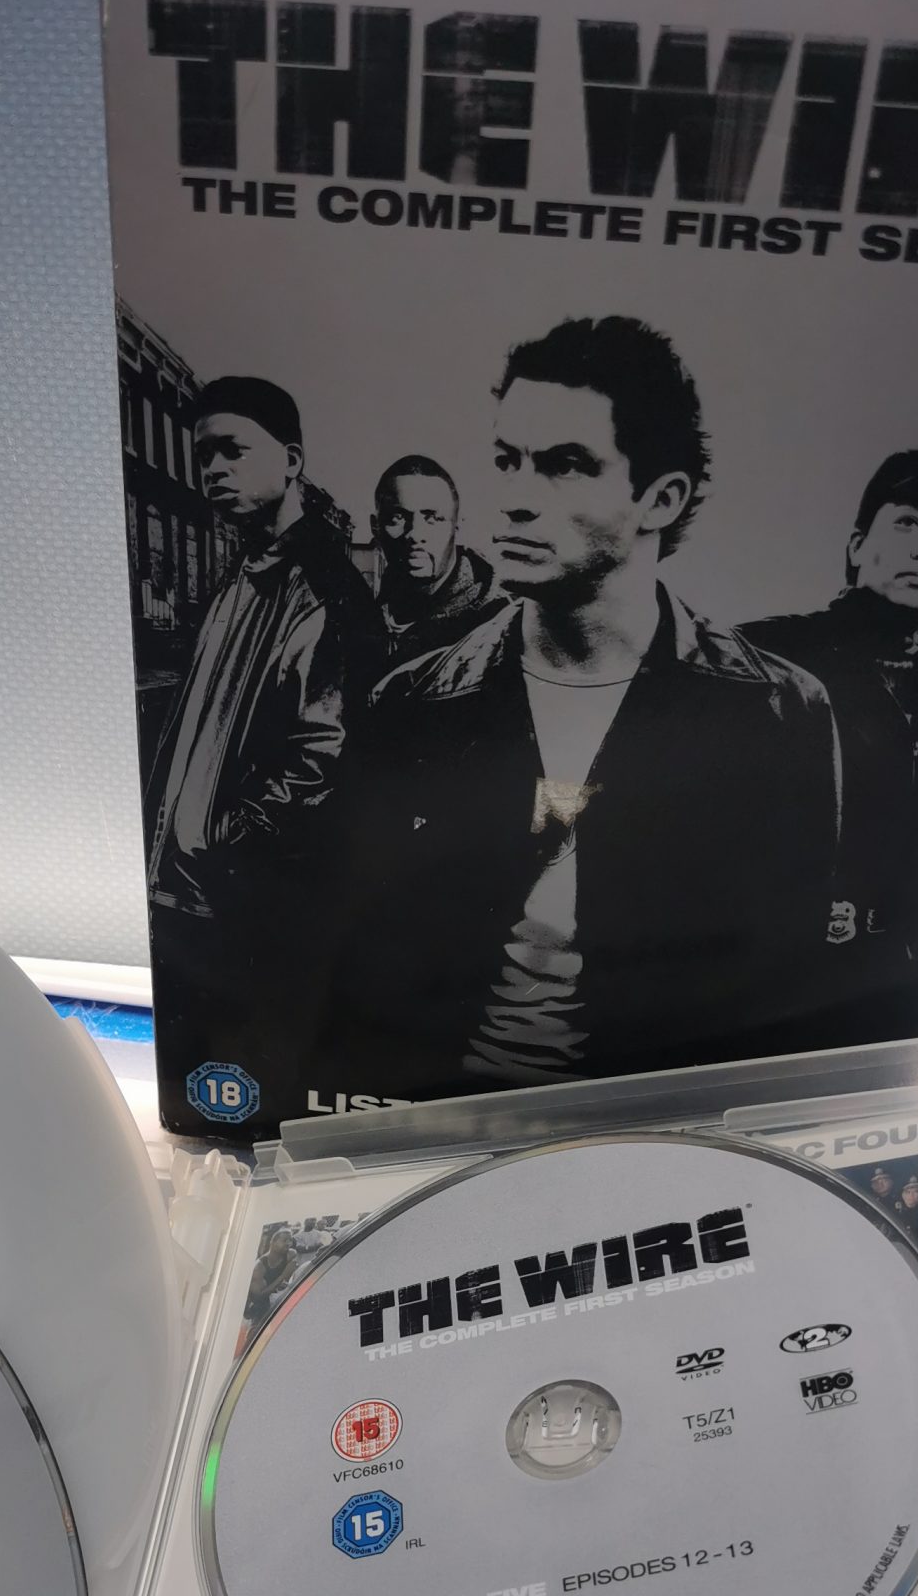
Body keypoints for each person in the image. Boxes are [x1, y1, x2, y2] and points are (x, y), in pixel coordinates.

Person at [312, 316, 847, 1099]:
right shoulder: (414, 702)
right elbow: (359, 964)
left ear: (660, 499)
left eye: (565, 465)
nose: (516, 500)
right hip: (437, 1117)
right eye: (508, 461)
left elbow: (779, 995)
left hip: (647, 1125)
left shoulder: (777, 712)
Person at [144, 375, 385, 1130]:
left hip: (239, 910)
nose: (212, 469)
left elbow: (321, 762)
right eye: (203, 455)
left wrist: (222, 848)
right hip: (190, 899)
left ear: (292, 461)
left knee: (254, 1107)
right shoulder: (240, 578)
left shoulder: (325, 590)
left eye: (233, 450)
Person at [746, 446, 918, 1040]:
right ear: (858, 546)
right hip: (781, 986)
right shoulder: (765, 655)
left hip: (902, 980)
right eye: (909, 521)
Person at [370, 455, 496, 660]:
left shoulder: (498, 625)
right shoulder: (358, 618)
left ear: (457, 526)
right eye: (397, 518)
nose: (414, 534)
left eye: (432, 519)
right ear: (375, 527)